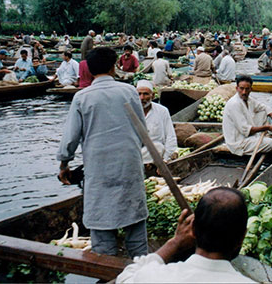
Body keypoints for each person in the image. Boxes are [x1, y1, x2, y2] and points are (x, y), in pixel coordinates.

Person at [57, 47, 148, 259]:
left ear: (88, 69)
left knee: (102, 230)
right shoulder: (129, 92)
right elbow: (142, 132)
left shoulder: (82, 98)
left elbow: (69, 140)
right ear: (113, 66)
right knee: (135, 232)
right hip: (129, 168)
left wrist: (64, 165)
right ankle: (141, 273)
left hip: (99, 171)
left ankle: (106, 273)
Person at [116, 187, 253, 283]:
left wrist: (175, 243)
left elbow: (127, 276)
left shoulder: (153, 276)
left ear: (192, 230)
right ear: (241, 238)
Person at [222, 75, 272, 156]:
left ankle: (259, 137)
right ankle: (259, 139)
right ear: (237, 88)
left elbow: (264, 107)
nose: (244, 92)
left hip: (247, 135)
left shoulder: (248, 100)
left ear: (251, 89)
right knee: (270, 143)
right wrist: (267, 127)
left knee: (262, 111)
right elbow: (246, 130)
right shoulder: (234, 104)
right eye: (241, 88)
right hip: (238, 142)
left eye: (247, 89)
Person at [137, 80, 178, 162]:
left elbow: (170, 136)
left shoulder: (162, 111)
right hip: (136, 152)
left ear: (152, 96)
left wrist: (166, 159)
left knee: (158, 147)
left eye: (145, 94)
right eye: (139, 94)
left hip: (155, 153)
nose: (142, 98)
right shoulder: (130, 111)